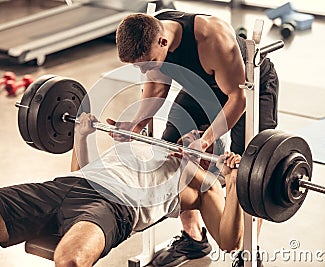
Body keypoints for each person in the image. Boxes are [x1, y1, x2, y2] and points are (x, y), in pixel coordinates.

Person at [0, 113, 244, 267]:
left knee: (70, 261)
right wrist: (82, 134)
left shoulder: (203, 187)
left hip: (114, 207)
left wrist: (233, 183)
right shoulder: (146, 146)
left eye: (200, 139)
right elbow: (82, 173)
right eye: (190, 132)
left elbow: (230, 242)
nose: (190, 137)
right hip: (66, 188)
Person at [111, 10, 279, 266]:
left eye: (148, 63)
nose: (144, 71)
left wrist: (206, 139)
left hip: (248, 88)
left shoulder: (212, 38)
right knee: (171, 151)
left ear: (163, 43)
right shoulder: (153, 35)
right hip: (200, 87)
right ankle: (193, 238)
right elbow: (157, 85)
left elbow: (237, 99)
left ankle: (248, 253)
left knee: (250, 169)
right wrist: (137, 123)